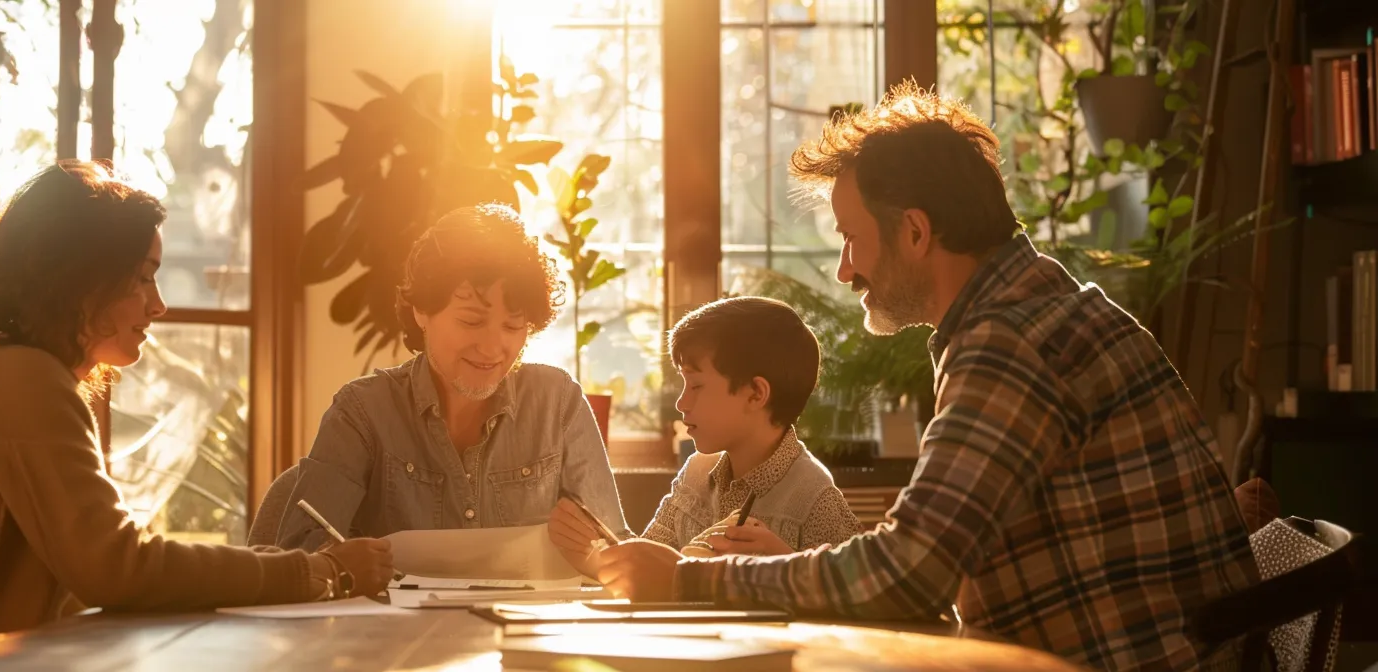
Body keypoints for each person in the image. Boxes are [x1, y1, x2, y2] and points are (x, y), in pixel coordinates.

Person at [595, 84, 1259, 671]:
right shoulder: (1045, 309)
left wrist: (687, 580)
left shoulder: (1010, 343)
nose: (845, 270)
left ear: (915, 232)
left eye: (851, 239)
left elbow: (910, 573)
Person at [0, 161, 394, 647]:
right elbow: (116, 569)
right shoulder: (23, 382)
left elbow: (99, 573)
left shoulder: (27, 378)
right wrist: (321, 571)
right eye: (143, 276)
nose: (158, 304)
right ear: (80, 281)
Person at [273, 204, 631, 576]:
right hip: (393, 633)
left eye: (513, 326)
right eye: (471, 321)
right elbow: (299, 555)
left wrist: (598, 558)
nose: (493, 348)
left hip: (525, 630)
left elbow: (615, 553)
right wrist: (338, 565)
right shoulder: (363, 411)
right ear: (422, 311)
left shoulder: (558, 403)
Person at [552, 297, 860, 566]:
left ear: (755, 394)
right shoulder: (696, 473)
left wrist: (791, 566)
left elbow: (858, 605)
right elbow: (652, 567)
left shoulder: (815, 498)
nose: (682, 402)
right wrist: (595, 555)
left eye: (696, 385)